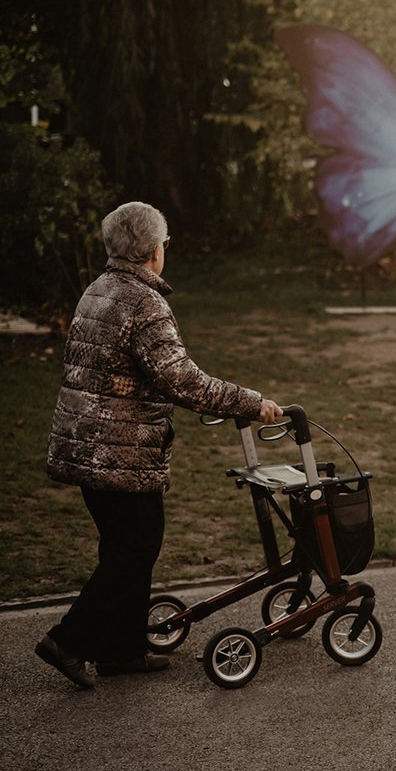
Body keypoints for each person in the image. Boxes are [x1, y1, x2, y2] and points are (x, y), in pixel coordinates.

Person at [37, 201, 284, 690]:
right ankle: (69, 640)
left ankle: (121, 649)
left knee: (125, 547)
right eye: (164, 244)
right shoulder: (145, 303)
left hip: (84, 443)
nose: (164, 251)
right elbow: (182, 381)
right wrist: (251, 404)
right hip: (119, 452)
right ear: (152, 250)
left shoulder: (98, 289)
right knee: (136, 547)